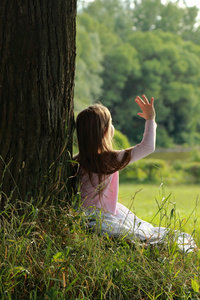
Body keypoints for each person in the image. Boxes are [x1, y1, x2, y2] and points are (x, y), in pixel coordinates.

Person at [74, 95, 196, 252]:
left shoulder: (75, 161)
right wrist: (150, 119)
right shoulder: (110, 160)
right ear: (105, 131)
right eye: (111, 123)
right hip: (105, 218)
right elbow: (147, 147)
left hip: (82, 217)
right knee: (145, 234)